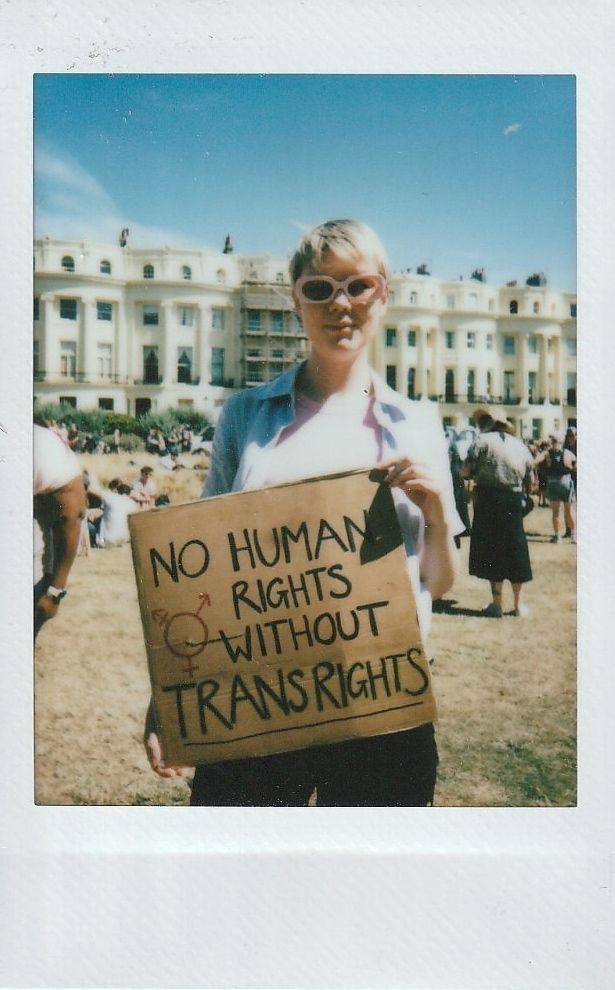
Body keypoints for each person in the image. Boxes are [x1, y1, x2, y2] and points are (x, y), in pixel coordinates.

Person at [144, 218, 463, 807]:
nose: (340, 304)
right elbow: (202, 576)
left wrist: (439, 515)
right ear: (295, 300)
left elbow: (439, 582)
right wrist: (172, 699)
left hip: (382, 705)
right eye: (319, 288)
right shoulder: (245, 414)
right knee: (245, 880)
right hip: (257, 700)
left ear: (383, 293)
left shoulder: (417, 423)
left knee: (369, 885)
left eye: (358, 286)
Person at [461, 406, 534, 618]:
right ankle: (519, 605)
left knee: (493, 552)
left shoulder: (481, 441)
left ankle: (497, 604)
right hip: (513, 499)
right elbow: (530, 477)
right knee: (516, 550)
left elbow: (466, 470)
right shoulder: (520, 445)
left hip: (488, 499)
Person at [34, 422, 86, 639]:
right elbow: (72, 513)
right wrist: (55, 591)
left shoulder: (39, 442)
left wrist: (54, 592)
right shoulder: (39, 440)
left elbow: (72, 513)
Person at [535, 433, 576, 543]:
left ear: (551, 442)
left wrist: (541, 469)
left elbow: (535, 462)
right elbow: (576, 464)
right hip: (566, 481)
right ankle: (573, 535)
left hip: (552, 482)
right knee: (569, 510)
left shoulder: (547, 453)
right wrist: (571, 468)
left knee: (556, 512)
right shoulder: (567, 452)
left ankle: (557, 537)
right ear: (562, 442)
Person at [98, 478, 138, 547]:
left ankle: (99, 541)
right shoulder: (133, 504)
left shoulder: (109, 496)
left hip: (107, 540)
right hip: (125, 539)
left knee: (97, 523)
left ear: (117, 491)